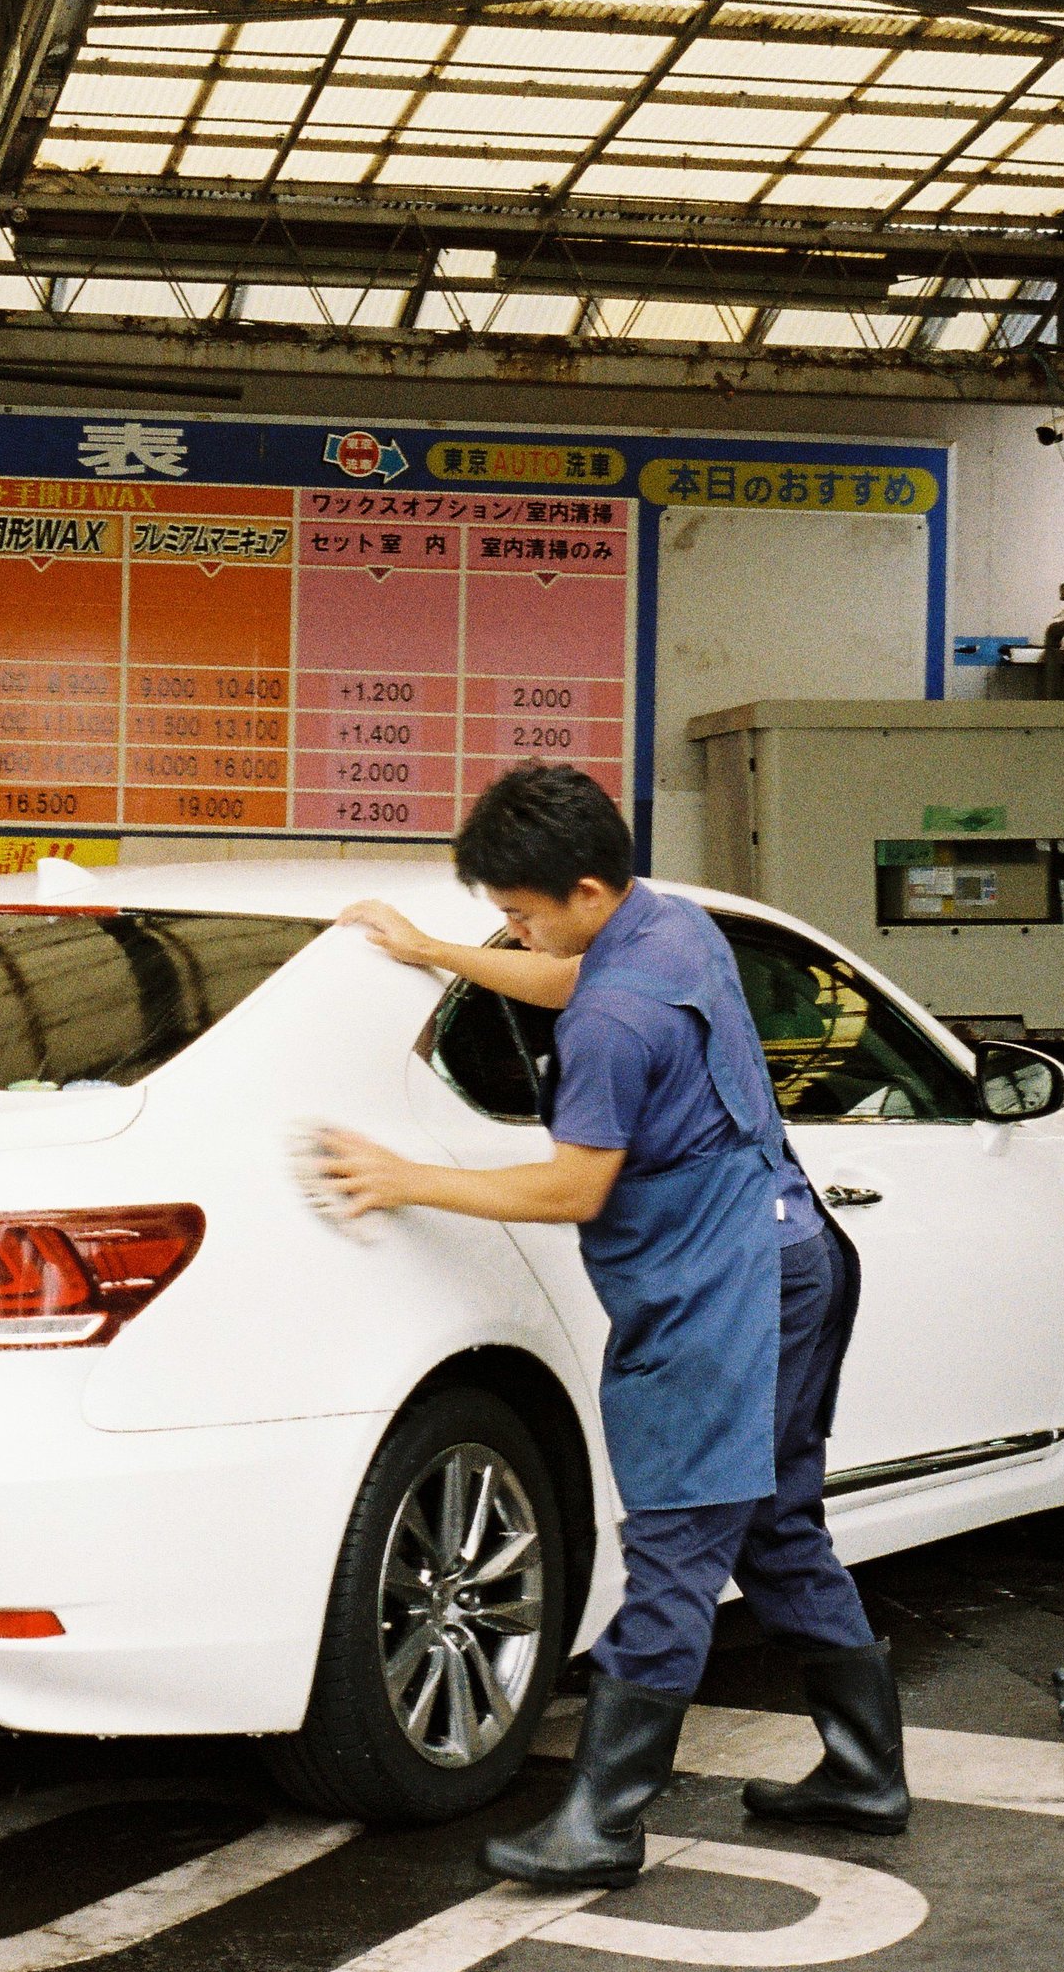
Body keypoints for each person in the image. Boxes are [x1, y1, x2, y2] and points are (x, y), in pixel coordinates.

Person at [316, 763, 909, 1885]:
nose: (515, 931)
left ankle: (602, 1820)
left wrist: (403, 1176)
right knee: (777, 1523)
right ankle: (863, 1773)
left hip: (720, 1284)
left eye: (521, 913)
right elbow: (566, 977)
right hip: (797, 1251)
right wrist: (436, 952)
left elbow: (571, 1187)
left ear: (586, 891)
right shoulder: (668, 928)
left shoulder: (613, 1022)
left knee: (681, 1541)